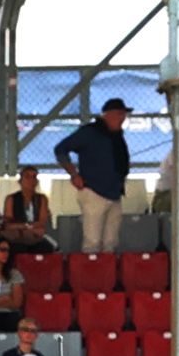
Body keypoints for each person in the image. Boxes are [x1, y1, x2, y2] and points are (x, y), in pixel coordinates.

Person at [58, 95, 137, 254]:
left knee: (111, 242)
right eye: (120, 114)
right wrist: (74, 174)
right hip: (93, 192)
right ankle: (91, 275)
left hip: (115, 193)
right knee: (92, 242)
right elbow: (61, 149)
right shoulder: (89, 132)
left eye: (124, 115)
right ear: (110, 114)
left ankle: (106, 275)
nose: (123, 118)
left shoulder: (117, 136)